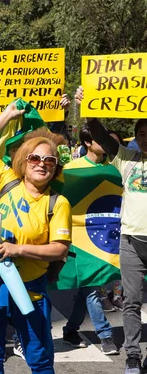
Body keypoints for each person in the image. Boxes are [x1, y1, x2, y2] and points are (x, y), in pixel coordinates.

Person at [0, 102, 71, 373]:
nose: (42, 165)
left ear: (55, 167)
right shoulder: (5, 180)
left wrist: (18, 250)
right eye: (35, 159)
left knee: (39, 357)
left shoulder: (58, 202)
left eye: (49, 161)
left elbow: (59, 250)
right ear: (23, 161)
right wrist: (7, 115)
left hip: (31, 288)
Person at [78, 86, 147, 374]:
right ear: (135, 137)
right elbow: (102, 137)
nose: (146, 138)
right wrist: (89, 109)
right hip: (131, 242)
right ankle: (132, 354)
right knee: (130, 302)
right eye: (141, 134)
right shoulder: (125, 157)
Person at [59, 128, 119, 355]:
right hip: (79, 240)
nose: (107, 143)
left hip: (107, 240)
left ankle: (70, 329)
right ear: (86, 142)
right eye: (100, 139)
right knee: (92, 289)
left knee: (88, 289)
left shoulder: (116, 169)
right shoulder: (71, 170)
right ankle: (105, 335)